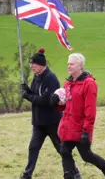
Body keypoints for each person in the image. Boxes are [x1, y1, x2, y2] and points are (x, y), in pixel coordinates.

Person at [54, 53, 105, 179]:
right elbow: (67, 105)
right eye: (68, 64)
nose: (69, 66)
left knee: (86, 155)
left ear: (80, 66)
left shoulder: (89, 84)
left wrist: (86, 131)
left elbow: (90, 110)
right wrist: (57, 103)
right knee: (64, 151)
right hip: (68, 126)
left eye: (71, 64)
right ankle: (69, 176)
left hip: (81, 127)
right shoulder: (67, 84)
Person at [20, 48, 81, 179]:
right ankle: (27, 174)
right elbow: (36, 95)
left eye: (33, 64)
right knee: (33, 148)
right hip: (38, 123)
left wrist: (28, 96)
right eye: (31, 64)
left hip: (52, 122)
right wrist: (28, 90)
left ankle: (74, 172)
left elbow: (46, 101)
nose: (31, 67)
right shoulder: (36, 78)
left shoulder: (51, 79)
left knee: (61, 149)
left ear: (41, 65)